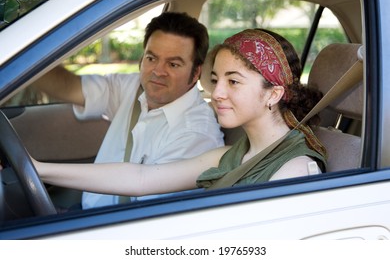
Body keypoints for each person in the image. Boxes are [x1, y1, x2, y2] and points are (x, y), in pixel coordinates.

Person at [35, 28, 327, 198]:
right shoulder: (228, 155)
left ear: (273, 94)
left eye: (233, 81)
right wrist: (38, 169)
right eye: (216, 79)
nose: (218, 92)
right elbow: (140, 178)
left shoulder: (294, 171)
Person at [33, 12, 225, 209]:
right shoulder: (132, 88)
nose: (158, 71)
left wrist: (37, 169)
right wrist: (24, 55)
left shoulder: (197, 134)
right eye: (151, 58)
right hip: (88, 212)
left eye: (173, 64)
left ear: (196, 74)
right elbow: (69, 87)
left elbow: (146, 210)